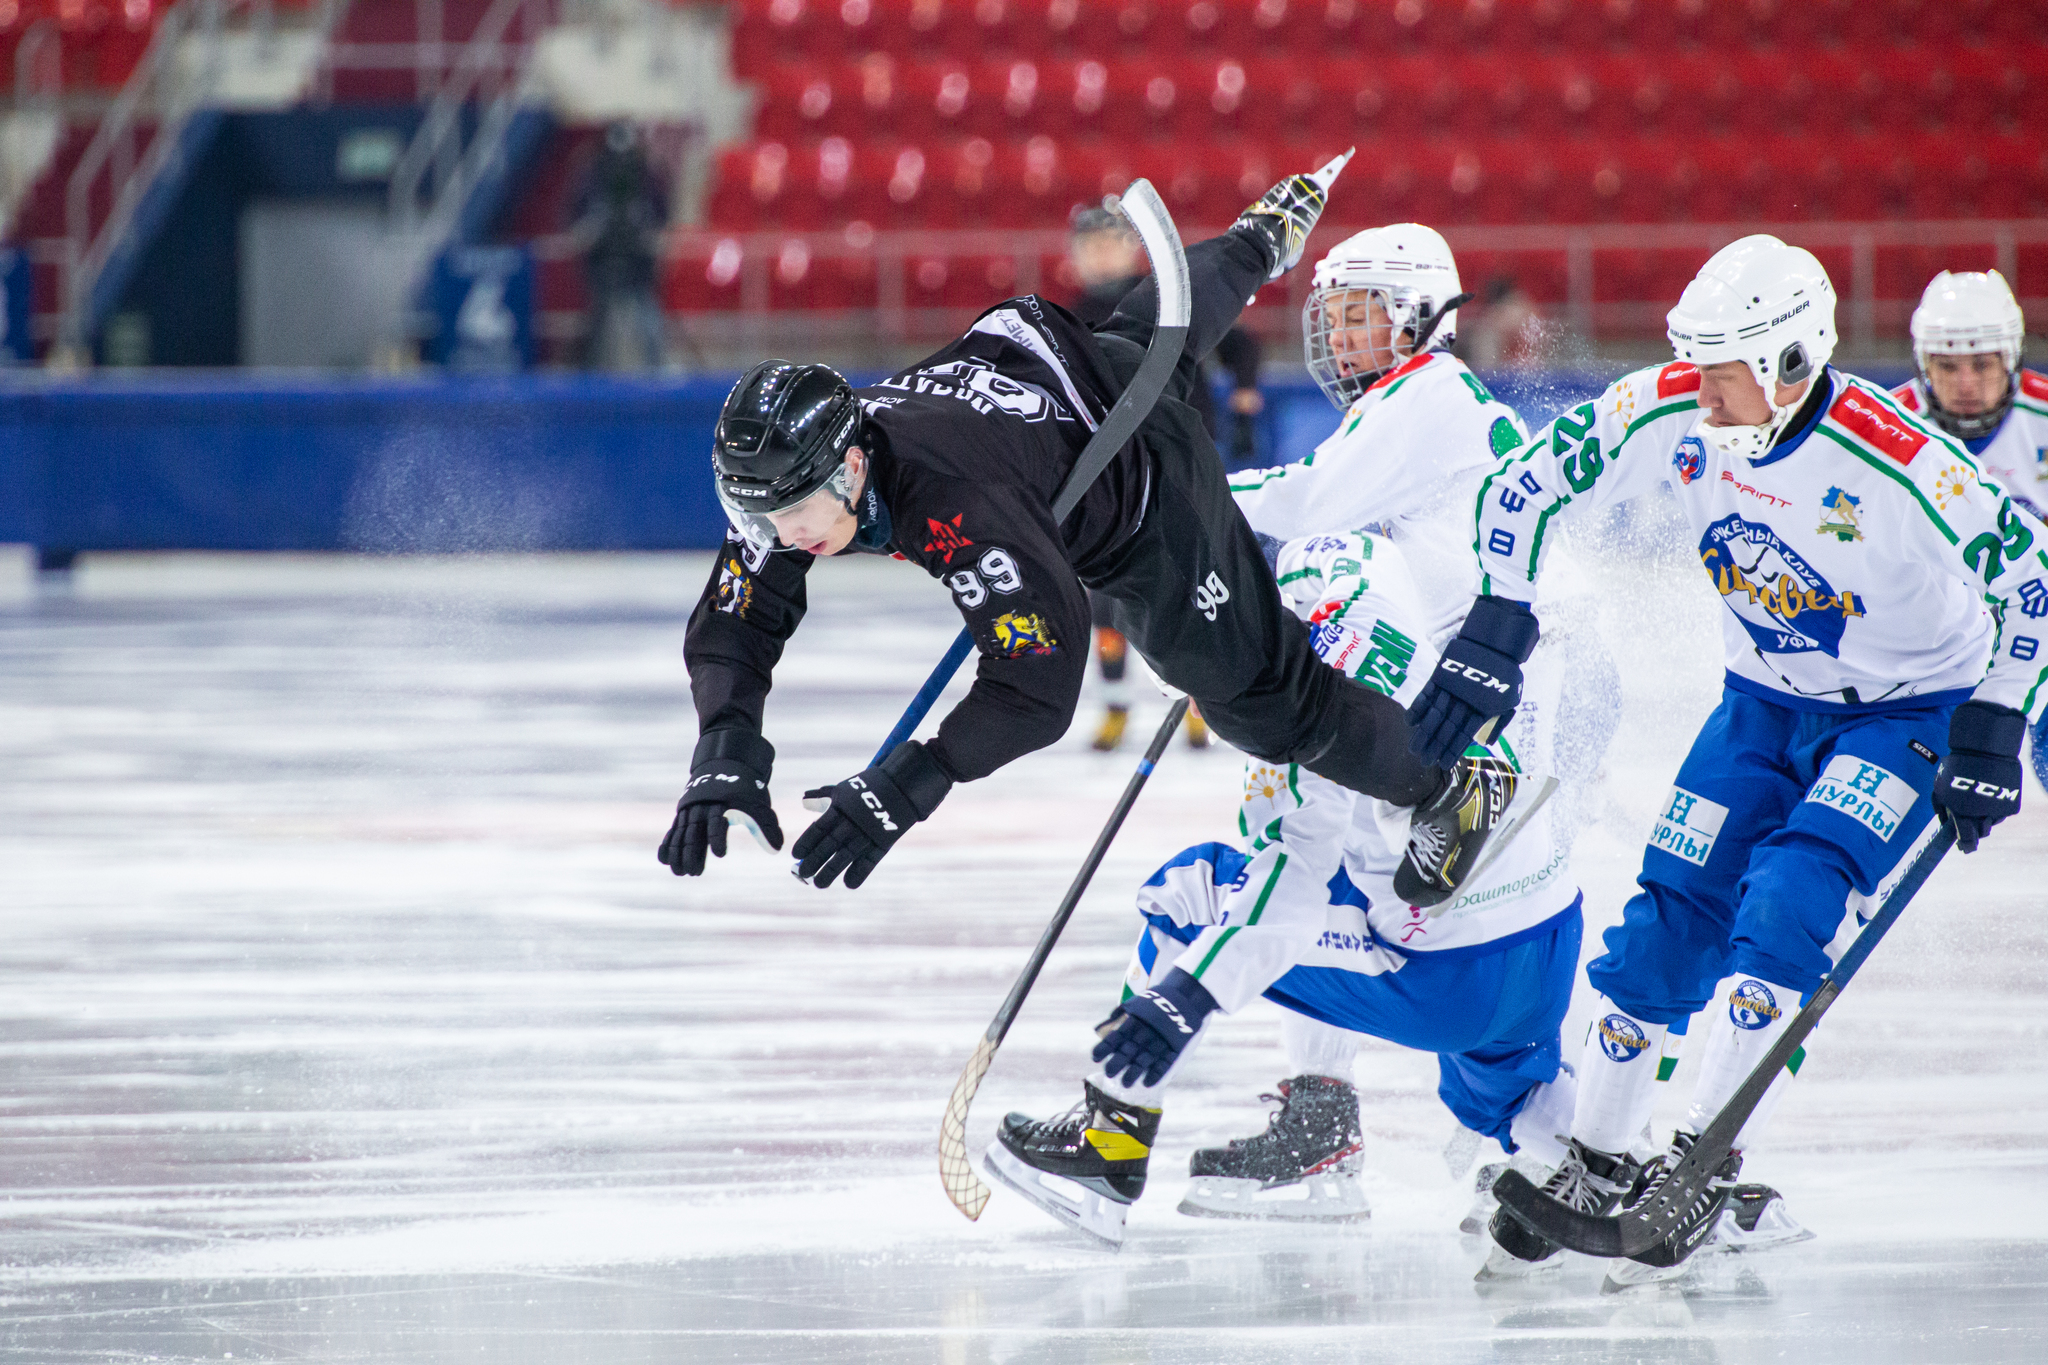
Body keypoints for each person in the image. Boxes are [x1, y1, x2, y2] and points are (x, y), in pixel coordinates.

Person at [1404, 235, 2048, 1286]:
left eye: (1723, 368)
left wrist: (1993, 720)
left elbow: (2029, 581)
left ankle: (1703, 1156)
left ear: (1794, 363)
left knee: (1787, 900)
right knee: (1669, 915)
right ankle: (1598, 1158)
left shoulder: (1902, 458)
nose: (1696, 388)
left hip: (1904, 711)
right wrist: (1493, 623)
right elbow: (1516, 492)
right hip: (1757, 701)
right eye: (1692, 360)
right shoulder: (1663, 403)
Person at [662, 154, 1523, 912]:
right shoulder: (794, 482)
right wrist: (726, 745)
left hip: (1146, 495)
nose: (770, 535)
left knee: (1264, 702)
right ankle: (1262, 238)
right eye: (755, 516)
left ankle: (1450, 778)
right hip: (1079, 367)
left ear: (850, 468)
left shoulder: (960, 507)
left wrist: (907, 784)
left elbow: (1037, 683)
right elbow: (738, 616)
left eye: (785, 516)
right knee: (1163, 326)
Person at [984, 529, 1584, 1245]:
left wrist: (1186, 995)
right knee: (1508, 1091)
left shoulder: (1279, 714)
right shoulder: (1352, 556)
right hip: (1549, 920)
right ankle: (1614, 1169)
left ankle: (1110, 1140)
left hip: (1451, 978)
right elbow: (1252, 515)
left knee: (1196, 889)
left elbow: (1287, 884)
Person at [1190, 223, 1619, 1214]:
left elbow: (1299, 506)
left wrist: (1175, 504)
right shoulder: (1413, 401)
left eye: (1361, 319)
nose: (1340, 342)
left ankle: (1558, 1143)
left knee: (1401, 898)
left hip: (1525, 687)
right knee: (1395, 880)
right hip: (1524, 678)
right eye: (1331, 321)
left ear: (1421, 318)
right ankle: (1529, 1139)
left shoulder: (1422, 400)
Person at [1066, 205, 1262, 753]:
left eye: (1108, 241)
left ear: (1130, 245)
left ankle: (1199, 700)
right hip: (1109, 474)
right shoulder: (1068, 316)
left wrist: (1245, 401)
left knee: (1190, 584)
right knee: (1104, 595)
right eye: (1090, 244)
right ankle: (1115, 706)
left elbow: (1241, 344)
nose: (1099, 253)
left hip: (1177, 458)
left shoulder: (1166, 296)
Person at [1890, 270, 2048, 792]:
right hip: (1929, 641)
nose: (1965, 383)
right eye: (1946, 365)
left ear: (2012, 358)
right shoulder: (1882, 428)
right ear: (1922, 363)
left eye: (1982, 364)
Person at [572, 123, 671, 372]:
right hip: (603, 255)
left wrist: (648, 230)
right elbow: (574, 213)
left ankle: (655, 371)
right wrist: (590, 227)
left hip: (638, 259)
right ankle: (592, 374)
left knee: (647, 316)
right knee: (599, 318)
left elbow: (661, 213)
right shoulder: (593, 173)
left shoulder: (645, 174)